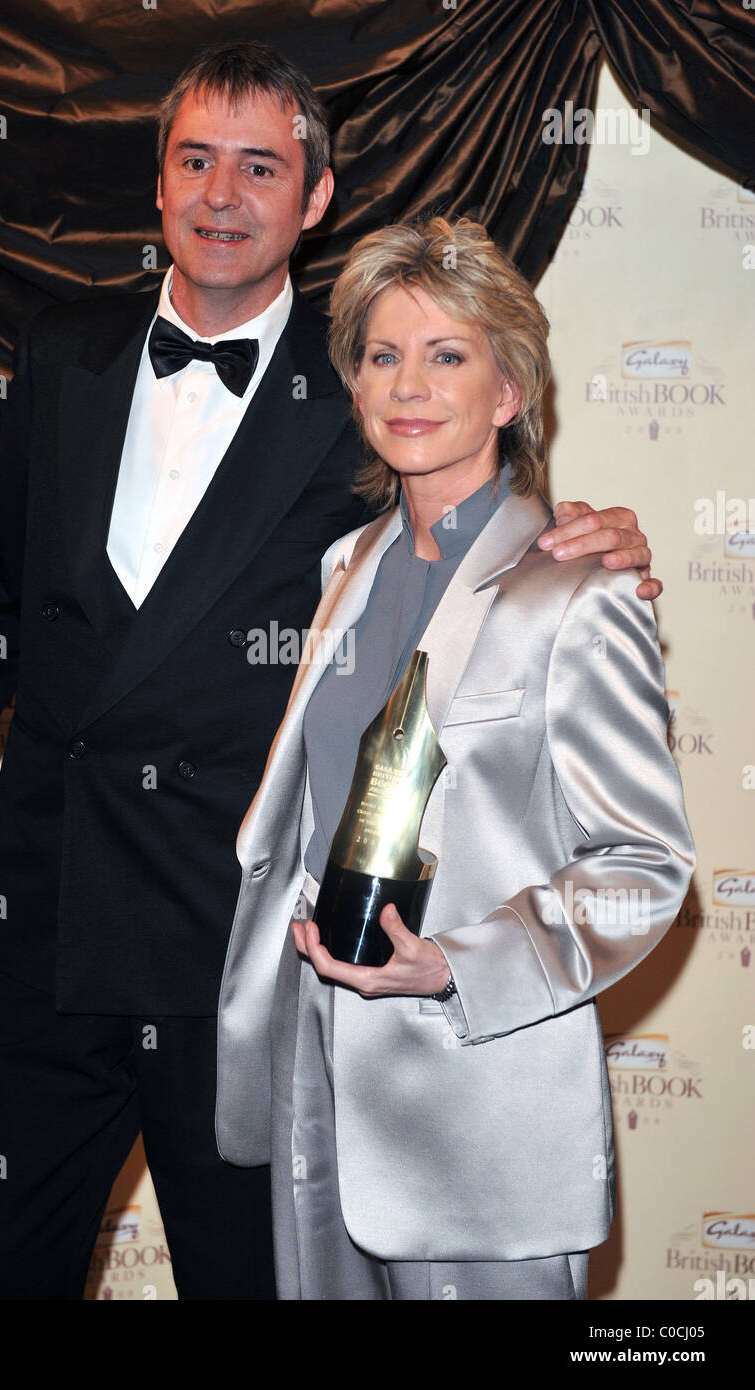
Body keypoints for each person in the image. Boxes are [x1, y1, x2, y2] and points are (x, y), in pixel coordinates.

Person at [0, 44, 662, 1301]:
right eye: (194, 160)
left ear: (312, 200)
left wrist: (585, 531)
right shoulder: (64, 350)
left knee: (250, 1283)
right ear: (157, 185)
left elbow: (458, 511)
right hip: (49, 911)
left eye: (259, 167)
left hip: (240, 951)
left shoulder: (362, 374)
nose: (220, 194)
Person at [215, 214, 695, 1300]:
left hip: (481, 1109)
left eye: (446, 355)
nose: (407, 385)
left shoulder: (578, 591)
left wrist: (456, 965)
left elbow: (644, 864)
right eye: (382, 356)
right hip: (320, 1082)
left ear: (508, 392)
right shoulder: (344, 568)